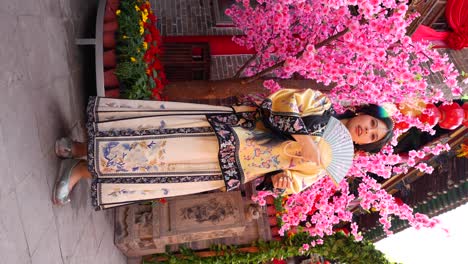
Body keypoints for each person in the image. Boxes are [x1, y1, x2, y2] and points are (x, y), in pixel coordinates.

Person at [52, 89, 393, 210]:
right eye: (372, 122)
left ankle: (81, 170)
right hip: (233, 131)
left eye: (372, 136)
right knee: (162, 143)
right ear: (363, 112)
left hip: (235, 168)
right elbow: (282, 103)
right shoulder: (321, 105)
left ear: (366, 144)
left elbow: (293, 181)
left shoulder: (328, 165)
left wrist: (283, 184)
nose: (367, 130)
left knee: (163, 169)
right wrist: (304, 138)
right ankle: (83, 149)